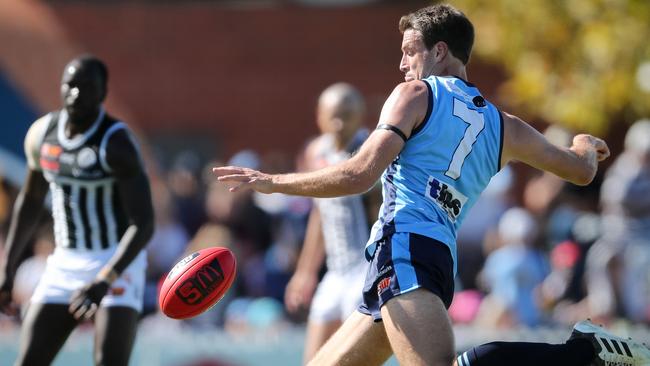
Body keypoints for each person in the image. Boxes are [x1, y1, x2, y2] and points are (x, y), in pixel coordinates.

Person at [214, 4, 649, 366]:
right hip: (434, 256)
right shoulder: (505, 126)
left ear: (439, 51)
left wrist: (272, 182)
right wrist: (584, 145)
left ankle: (583, 353)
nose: (402, 64)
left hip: (403, 246)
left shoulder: (416, 94)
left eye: (409, 51)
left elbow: (359, 173)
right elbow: (581, 171)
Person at [0, 55, 154, 366]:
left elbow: (144, 223)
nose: (75, 95)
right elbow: (30, 200)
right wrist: (9, 266)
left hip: (115, 259)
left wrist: (105, 279)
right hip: (66, 261)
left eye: (86, 88)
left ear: (103, 93)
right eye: (70, 86)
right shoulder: (43, 134)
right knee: (29, 361)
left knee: (109, 362)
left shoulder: (117, 144)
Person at [283, 82, 372, 363]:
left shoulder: (371, 150)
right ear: (319, 116)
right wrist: (305, 271)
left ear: (360, 116)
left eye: (346, 114)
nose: (338, 122)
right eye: (332, 114)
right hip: (335, 271)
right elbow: (320, 213)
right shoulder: (317, 152)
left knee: (352, 359)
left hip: (366, 269)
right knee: (314, 359)